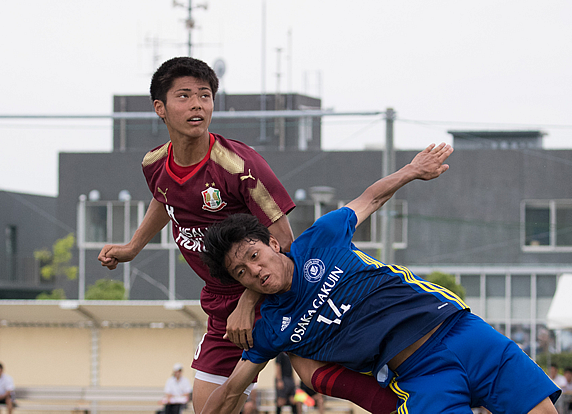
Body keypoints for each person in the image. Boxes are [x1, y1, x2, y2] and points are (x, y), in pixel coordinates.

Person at [98, 56, 397, 414]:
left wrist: (248, 302)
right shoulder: (154, 164)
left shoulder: (240, 166)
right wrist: (132, 248)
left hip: (273, 292)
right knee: (208, 407)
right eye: (184, 96)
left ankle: (414, 401)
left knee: (312, 372)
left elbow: (284, 244)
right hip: (220, 302)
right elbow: (164, 199)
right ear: (159, 108)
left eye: (205, 95)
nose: (197, 104)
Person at [200, 143, 562, 414]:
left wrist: (413, 169)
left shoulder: (320, 238)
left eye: (253, 256)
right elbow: (233, 390)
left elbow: (369, 199)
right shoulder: (272, 328)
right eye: (242, 273)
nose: (256, 271)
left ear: (272, 243)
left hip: (463, 332)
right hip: (419, 375)